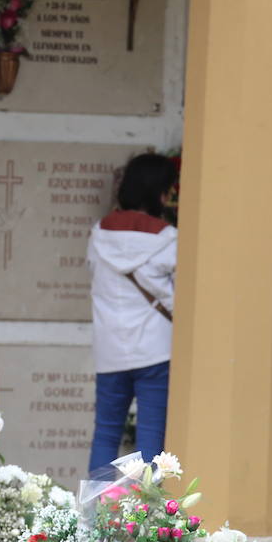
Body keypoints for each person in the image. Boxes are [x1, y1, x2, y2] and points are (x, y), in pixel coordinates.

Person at [86, 153, 179, 473]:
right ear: (161, 193)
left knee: (106, 432)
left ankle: (94, 518)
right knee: (151, 437)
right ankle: (150, 520)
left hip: (110, 348)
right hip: (156, 350)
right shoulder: (167, 238)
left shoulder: (100, 232)